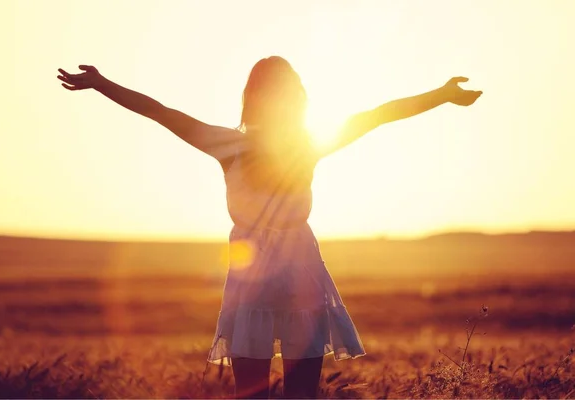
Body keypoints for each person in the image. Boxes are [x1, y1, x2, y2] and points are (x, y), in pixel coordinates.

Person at [57, 56, 482, 398]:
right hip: (262, 275)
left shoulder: (301, 144)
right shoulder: (252, 144)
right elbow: (161, 113)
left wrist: (442, 95)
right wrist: (103, 84)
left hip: (294, 271)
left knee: (289, 392)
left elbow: (377, 115)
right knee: (261, 391)